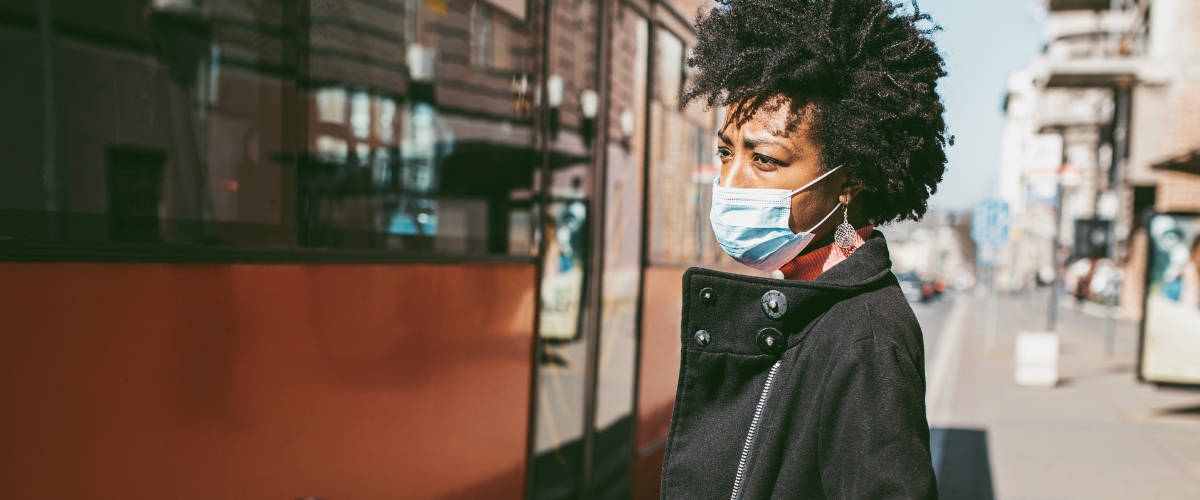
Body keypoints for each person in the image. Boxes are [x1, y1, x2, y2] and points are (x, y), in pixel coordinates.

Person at [660, 1, 948, 498]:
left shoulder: (868, 338)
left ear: (848, 182)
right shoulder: (810, 301)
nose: (729, 182)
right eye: (727, 152)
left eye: (765, 160)